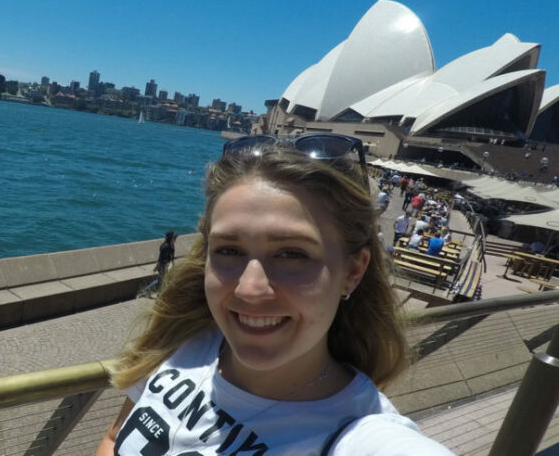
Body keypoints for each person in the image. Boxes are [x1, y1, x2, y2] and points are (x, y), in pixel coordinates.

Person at [96, 136, 453, 455]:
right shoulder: (183, 339)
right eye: (228, 251)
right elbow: (114, 439)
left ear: (353, 271)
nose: (249, 289)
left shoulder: (358, 434)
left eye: (291, 254)